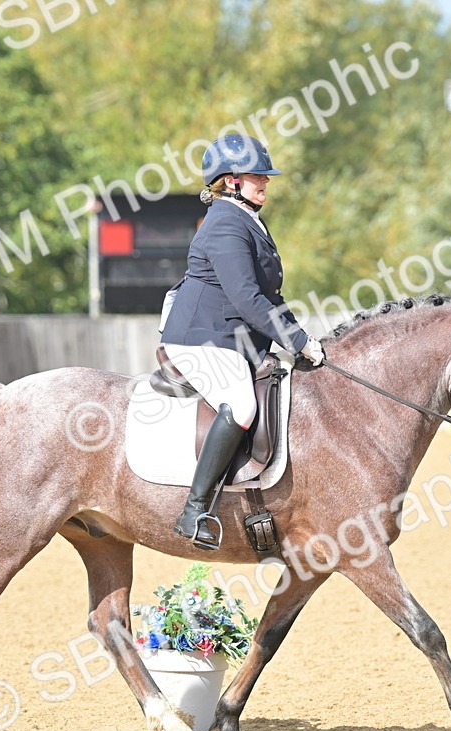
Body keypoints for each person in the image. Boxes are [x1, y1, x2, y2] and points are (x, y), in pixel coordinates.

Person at [159, 134, 324, 550]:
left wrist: (302, 341)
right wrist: (296, 340)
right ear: (231, 180)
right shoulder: (225, 223)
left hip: (232, 340)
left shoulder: (248, 219)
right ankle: (194, 511)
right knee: (243, 404)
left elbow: (270, 298)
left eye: (265, 176)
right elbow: (247, 298)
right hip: (201, 339)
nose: (265, 182)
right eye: (257, 176)